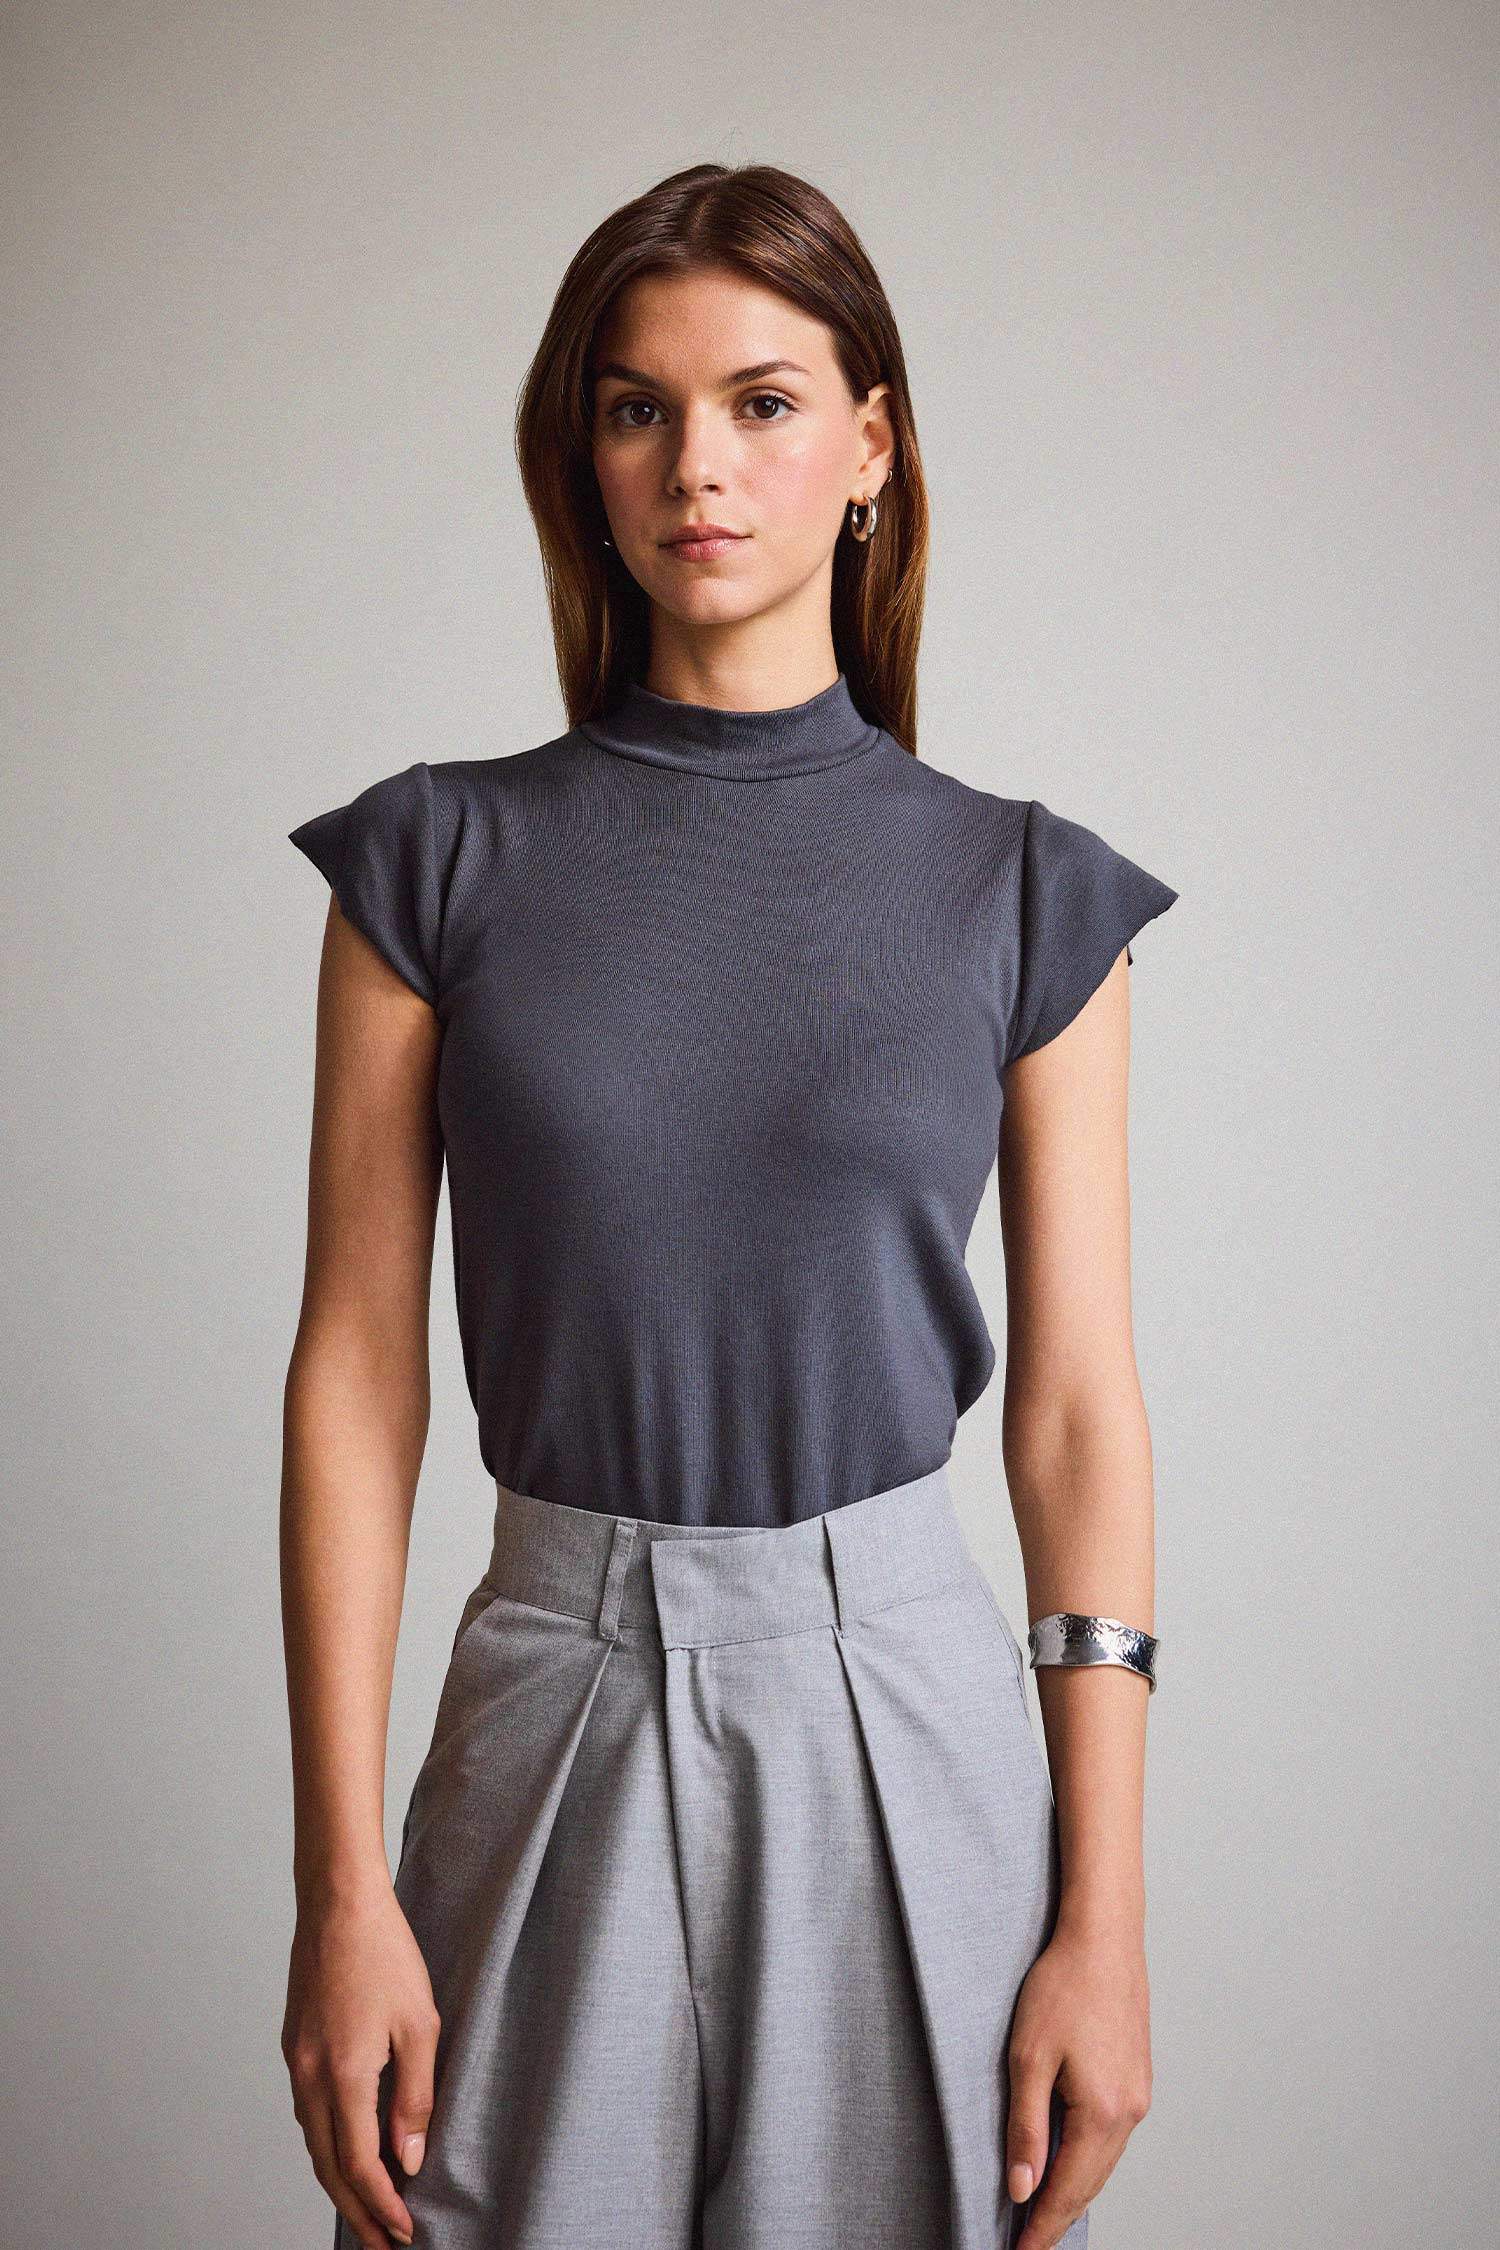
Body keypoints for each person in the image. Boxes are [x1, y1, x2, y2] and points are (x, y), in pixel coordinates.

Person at [280, 161, 1176, 2250]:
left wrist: (1109, 1917)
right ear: (582, 460)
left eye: (764, 403)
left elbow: (1075, 1417)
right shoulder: (434, 867)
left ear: (871, 446)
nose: (697, 463)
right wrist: (338, 1889)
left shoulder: (1025, 892)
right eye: (638, 408)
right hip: (548, 1690)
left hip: (908, 1716)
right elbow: (355, 1381)